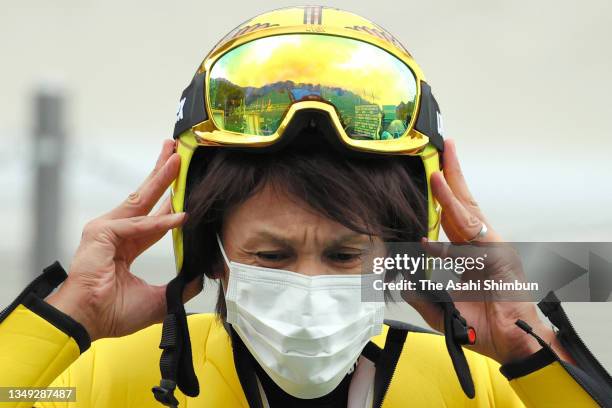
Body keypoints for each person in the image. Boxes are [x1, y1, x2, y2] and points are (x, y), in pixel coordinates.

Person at [1, 6, 611, 408]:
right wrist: (71, 314)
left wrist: (528, 349)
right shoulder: (108, 379)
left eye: (347, 255)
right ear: (212, 254)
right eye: (271, 254)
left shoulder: (476, 387)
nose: (309, 286)